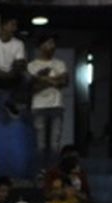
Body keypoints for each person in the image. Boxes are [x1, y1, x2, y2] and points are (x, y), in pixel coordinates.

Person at [27, 35, 68, 165]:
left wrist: (42, 78)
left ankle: (53, 173)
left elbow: (64, 81)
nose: (52, 46)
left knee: (55, 144)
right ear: (41, 46)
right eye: (49, 43)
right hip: (39, 106)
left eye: (53, 44)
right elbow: (32, 87)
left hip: (57, 106)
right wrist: (53, 81)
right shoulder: (32, 65)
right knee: (41, 144)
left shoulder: (60, 63)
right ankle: (41, 173)